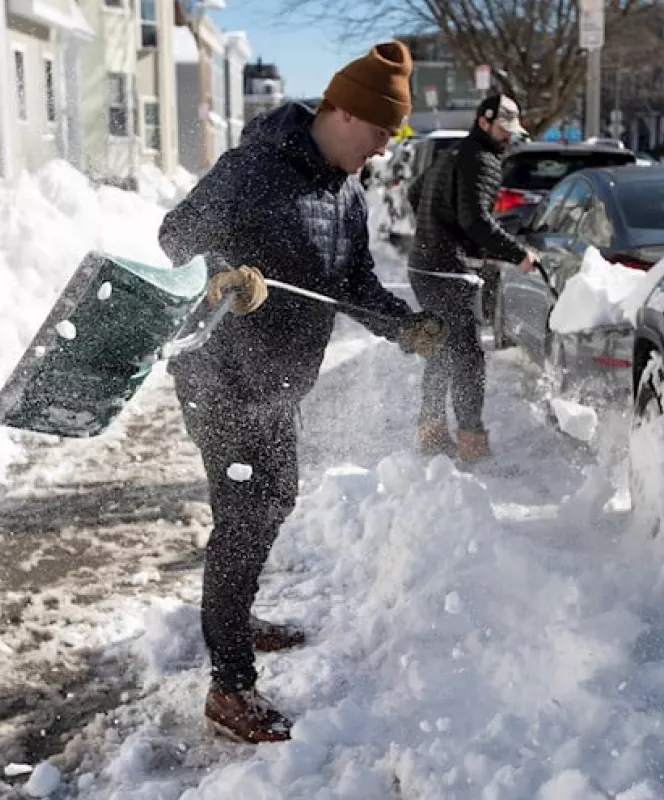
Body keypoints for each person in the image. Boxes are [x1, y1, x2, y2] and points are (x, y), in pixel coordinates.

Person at [157, 40, 448, 745]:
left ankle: (234, 616)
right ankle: (229, 687)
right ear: (343, 113)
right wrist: (225, 274)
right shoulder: (253, 168)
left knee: (274, 499)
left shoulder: (346, 194)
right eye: (379, 131)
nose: (382, 149)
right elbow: (175, 238)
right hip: (220, 379)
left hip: (276, 384)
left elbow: (352, 283)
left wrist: (403, 327)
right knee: (244, 516)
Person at [406, 92, 538, 463]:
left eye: (511, 129)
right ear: (483, 121)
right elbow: (476, 220)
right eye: (503, 128)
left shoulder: (454, 153)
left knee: (441, 349)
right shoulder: (481, 159)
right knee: (467, 357)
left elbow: (416, 194)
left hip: (424, 266)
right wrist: (517, 254)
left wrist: (434, 230)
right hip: (449, 271)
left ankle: (431, 431)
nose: (508, 136)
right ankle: (472, 444)